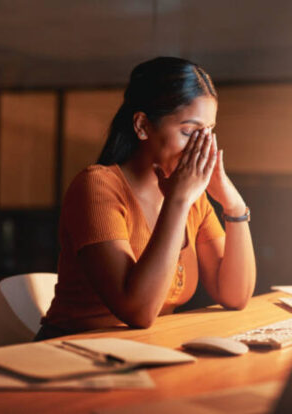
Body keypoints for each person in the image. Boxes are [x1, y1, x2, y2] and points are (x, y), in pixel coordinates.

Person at [35, 56, 256, 341]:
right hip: (72, 354)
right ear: (142, 126)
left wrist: (233, 205)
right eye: (189, 132)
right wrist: (178, 201)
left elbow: (235, 296)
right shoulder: (97, 187)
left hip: (142, 350)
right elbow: (138, 311)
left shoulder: (193, 200)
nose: (201, 147)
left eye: (208, 133)